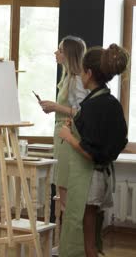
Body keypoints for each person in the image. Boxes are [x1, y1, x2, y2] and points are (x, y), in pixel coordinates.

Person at [58, 44, 128, 257]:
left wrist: (69, 137)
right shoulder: (113, 104)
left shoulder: (91, 107)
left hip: (90, 181)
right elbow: (119, 142)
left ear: (89, 73)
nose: (80, 75)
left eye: (82, 71)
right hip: (103, 178)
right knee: (93, 238)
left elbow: (91, 152)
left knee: (86, 243)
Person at [40, 36, 88, 215]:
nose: (56, 52)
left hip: (70, 138)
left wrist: (55, 107)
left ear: (69, 55)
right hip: (62, 136)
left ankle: (70, 239)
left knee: (65, 187)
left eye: (60, 50)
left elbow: (83, 112)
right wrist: (53, 108)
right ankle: (66, 238)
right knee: (62, 186)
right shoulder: (68, 79)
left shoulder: (77, 80)